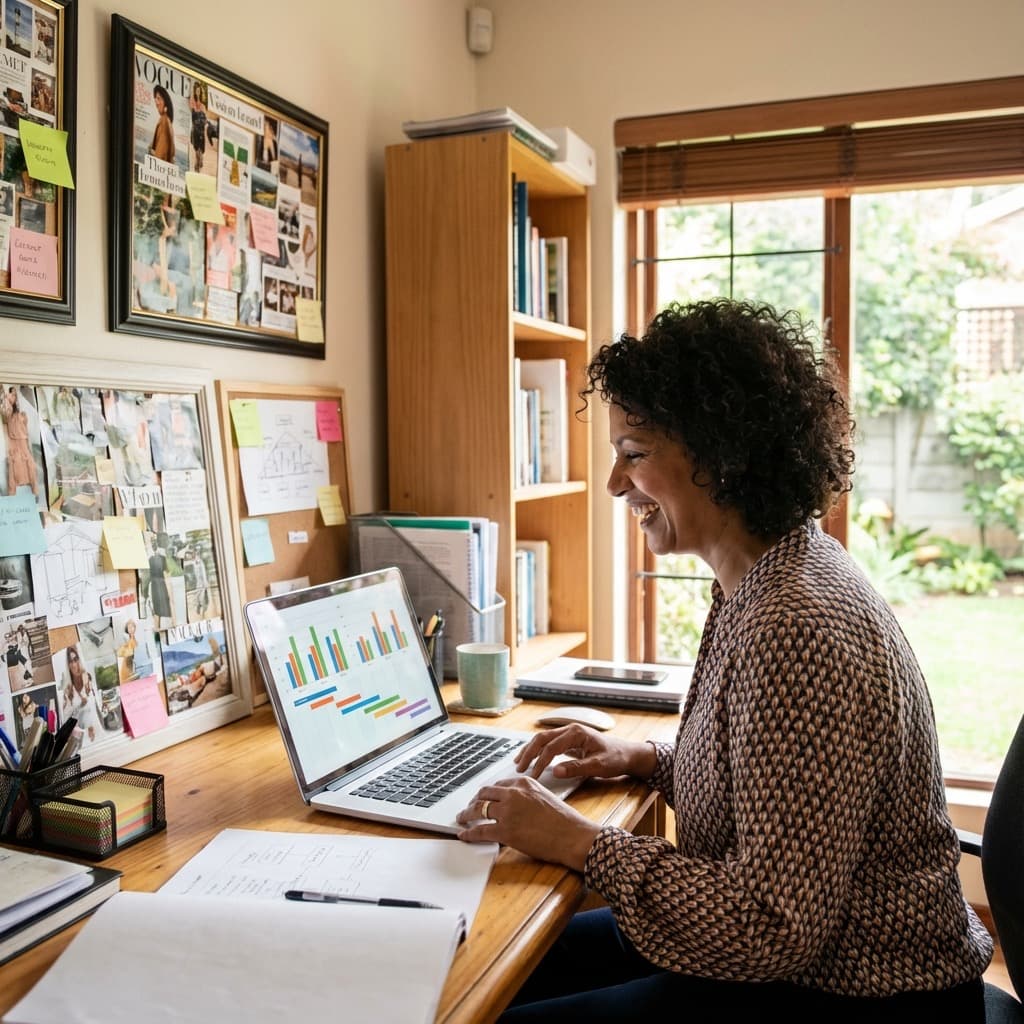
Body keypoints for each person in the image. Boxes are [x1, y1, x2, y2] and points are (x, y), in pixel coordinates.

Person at [456, 298, 993, 1021]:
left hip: (856, 994)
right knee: (480, 969)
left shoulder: (793, 627)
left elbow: (770, 927)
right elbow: (774, 791)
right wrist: (643, 758)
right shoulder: (772, 571)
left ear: (721, 455)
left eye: (634, 455)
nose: (616, 485)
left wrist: (580, 842)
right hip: (805, 961)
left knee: (489, 1001)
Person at [1, 385, 39, 495]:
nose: (13, 396)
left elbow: (27, 426)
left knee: (29, 463)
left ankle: (35, 490)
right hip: (13, 441)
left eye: (14, 394)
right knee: (13, 465)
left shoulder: (22, 413)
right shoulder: (7, 410)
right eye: (11, 393)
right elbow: (6, 413)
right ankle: (12, 493)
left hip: (22, 440)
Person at [60, 644, 99, 743]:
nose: (74, 665)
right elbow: (66, 718)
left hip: (96, 729)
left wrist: (92, 726)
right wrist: (80, 705)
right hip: (80, 737)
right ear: (68, 665)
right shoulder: (68, 691)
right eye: (71, 661)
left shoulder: (88, 679)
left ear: (80, 659)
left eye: (76, 659)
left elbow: (97, 704)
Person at [149, 84, 175, 164]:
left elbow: (160, 157)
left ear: (165, 102)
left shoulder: (164, 121)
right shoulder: (167, 121)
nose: (156, 102)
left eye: (159, 99)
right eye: (155, 99)